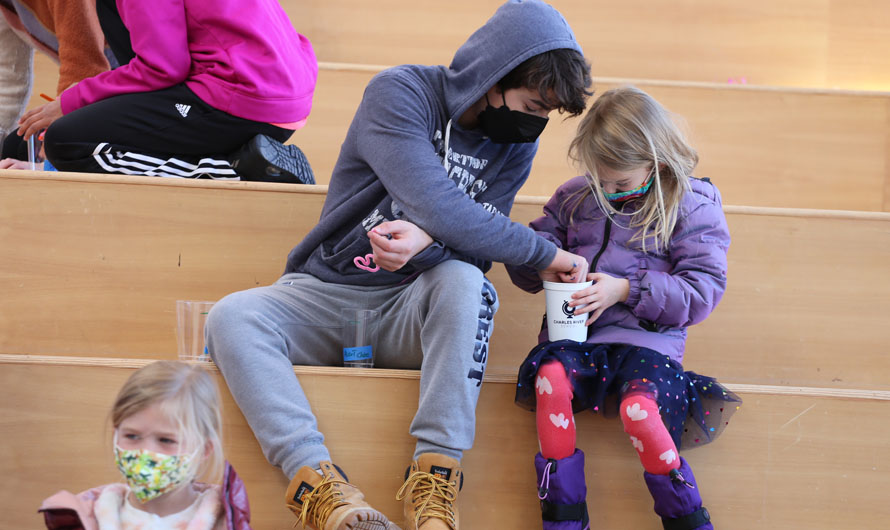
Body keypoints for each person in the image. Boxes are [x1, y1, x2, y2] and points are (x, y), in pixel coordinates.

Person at [205, 1, 592, 528]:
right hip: (327, 292)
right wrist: (541, 252)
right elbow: (434, 200)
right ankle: (321, 491)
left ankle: (434, 485)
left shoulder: (513, 144)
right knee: (231, 316)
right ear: (496, 76)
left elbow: (477, 249)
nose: (536, 122)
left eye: (547, 113)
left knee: (465, 282)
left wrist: (429, 243)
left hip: (413, 311)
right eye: (532, 104)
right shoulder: (401, 93)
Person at [506, 86, 742, 530]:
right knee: (550, 380)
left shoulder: (691, 204)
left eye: (622, 183)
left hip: (647, 344)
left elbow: (702, 289)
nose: (610, 193)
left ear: (656, 161)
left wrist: (625, 290)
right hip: (576, 339)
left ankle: (686, 518)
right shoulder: (576, 198)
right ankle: (563, 518)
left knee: (640, 409)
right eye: (601, 181)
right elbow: (530, 251)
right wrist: (547, 262)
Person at [16, 0, 317, 183]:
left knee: (66, 140)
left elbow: (161, 68)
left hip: (242, 96)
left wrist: (71, 102)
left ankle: (239, 171)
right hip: (275, 93)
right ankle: (236, 157)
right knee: (16, 145)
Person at [38, 361, 252, 530]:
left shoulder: (227, 522)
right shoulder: (86, 516)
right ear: (115, 436)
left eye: (166, 440)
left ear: (204, 449)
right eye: (131, 436)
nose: (146, 452)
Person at [0, 0, 111, 162]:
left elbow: (84, 71)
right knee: (14, 145)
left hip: (129, 92)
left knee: (38, 148)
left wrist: (53, 154)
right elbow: (7, 75)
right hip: (95, 89)